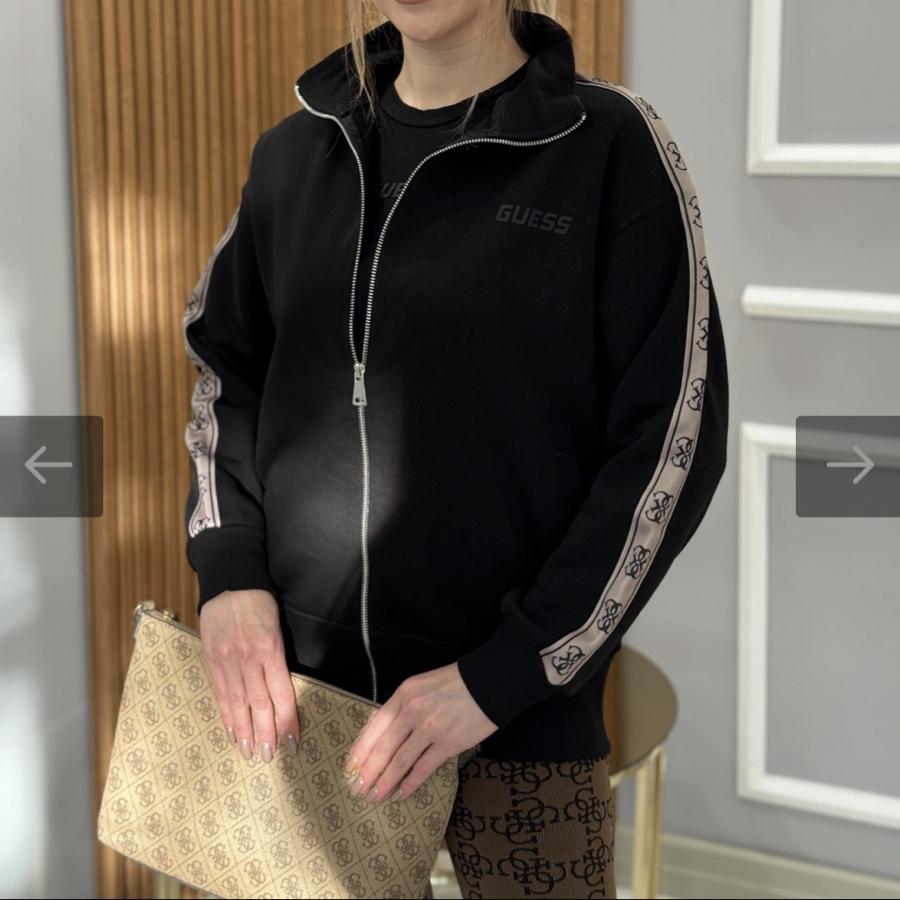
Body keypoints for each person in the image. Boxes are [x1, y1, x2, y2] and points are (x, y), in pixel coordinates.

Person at [181, 1, 729, 897]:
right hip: (303, 704)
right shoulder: (295, 152)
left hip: (518, 720)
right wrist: (229, 573)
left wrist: (503, 674)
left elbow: (673, 439)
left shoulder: (609, 148)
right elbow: (224, 376)